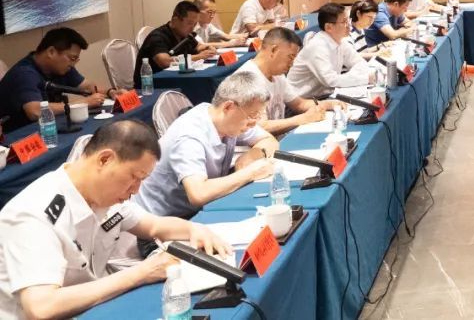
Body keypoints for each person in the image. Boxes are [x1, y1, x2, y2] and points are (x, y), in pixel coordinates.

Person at [0, 120, 230, 319]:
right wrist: (142, 273)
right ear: (104, 160)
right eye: (134, 177)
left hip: (91, 308)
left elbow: (155, 226)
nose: (136, 190)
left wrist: (194, 229)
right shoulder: (34, 213)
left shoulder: (103, 196)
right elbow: (41, 308)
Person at [134, 72, 278, 218]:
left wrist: (251, 155)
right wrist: (250, 173)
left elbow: (269, 140)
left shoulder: (223, 118)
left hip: (200, 208)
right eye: (252, 115)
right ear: (228, 107)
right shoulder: (190, 135)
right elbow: (198, 194)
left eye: (258, 116)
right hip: (162, 220)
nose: (254, 123)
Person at [230, 27, 344, 136]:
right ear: (274, 50)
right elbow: (259, 127)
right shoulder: (247, 79)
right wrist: (303, 119)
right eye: (290, 57)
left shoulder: (277, 74)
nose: (292, 64)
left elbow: (299, 104)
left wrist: (329, 104)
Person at [0, 28, 108, 132]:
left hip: (48, 128)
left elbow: (87, 87)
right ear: (51, 52)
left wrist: (110, 91)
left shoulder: (62, 67)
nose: (73, 64)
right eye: (72, 58)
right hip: (17, 136)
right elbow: (35, 111)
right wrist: (83, 103)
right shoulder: (24, 73)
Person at [288, 3, 372, 99]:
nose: (349, 25)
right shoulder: (317, 46)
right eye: (344, 22)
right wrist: (365, 78)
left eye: (348, 20)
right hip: (300, 100)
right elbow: (331, 81)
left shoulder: (340, 41)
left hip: (324, 95)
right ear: (329, 27)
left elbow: (359, 62)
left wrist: (355, 77)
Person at [133, 0, 217, 82]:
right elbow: (165, 61)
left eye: (195, 24)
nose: (192, 28)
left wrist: (208, 48)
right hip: (152, 85)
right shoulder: (157, 37)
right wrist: (199, 56)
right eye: (189, 23)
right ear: (175, 20)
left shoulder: (184, 34)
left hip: (175, 80)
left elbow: (199, 46)